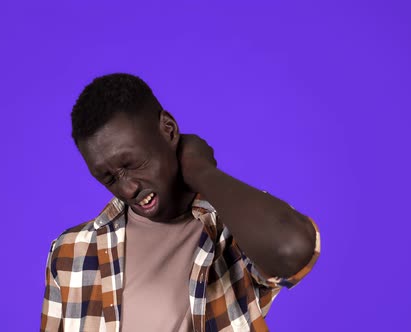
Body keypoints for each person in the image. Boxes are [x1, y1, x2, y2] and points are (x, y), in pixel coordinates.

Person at [40, 73, 320, 332]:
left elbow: (291, 249)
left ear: (169, 129)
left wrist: (200, 170)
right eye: (109, 178)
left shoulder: (234, 232)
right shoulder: (72, 252)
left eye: (133, 164)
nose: (128, 188)